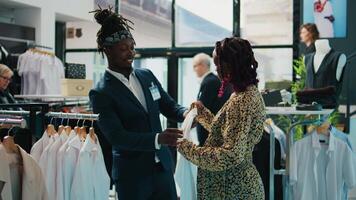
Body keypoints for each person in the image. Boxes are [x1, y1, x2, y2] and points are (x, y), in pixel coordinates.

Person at [89, 8, 186, 200]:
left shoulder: (146, 76)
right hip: (132, 176)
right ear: (107, 50)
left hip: (163, 169)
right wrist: (158, 138)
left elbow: (169, 107)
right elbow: (117, 137)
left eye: (132, 47)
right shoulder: (101, 92)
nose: (131, 53)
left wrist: (189, 113)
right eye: (123, 49)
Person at [177, 37, 266, 200]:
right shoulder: (245, 93)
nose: (216, 69)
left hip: (233, 189)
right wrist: (202, 113)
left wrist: (185, 147)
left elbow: (230, 155)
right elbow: (228, 132)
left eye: (218, 63)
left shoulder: (241, 100)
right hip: (234, 185)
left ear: (230, 65)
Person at [192, 53, 231, 146]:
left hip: (209, 134)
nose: (194, 70)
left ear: (202, 65)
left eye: (195, 66)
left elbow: (203, 108)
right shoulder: (211, 80)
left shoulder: (209, 82)